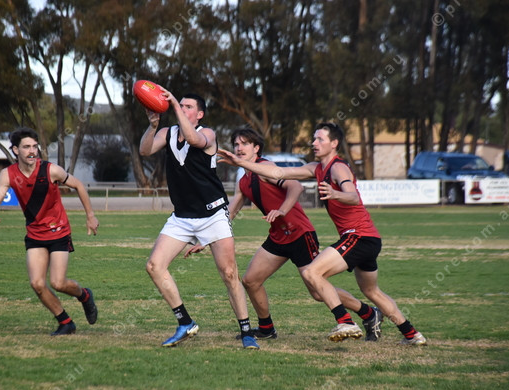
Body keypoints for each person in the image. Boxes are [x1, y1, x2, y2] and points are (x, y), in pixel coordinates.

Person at [218, 123, 427, 345]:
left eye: (319, 139)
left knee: (313, 275)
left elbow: (353, 197)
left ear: (334, 143)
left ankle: (346, 322)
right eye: (314, 139)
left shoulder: (339, 168)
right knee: (371, 291)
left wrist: (336, 194)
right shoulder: (316, 169)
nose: (314, 143)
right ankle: (412, 334)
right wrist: (240, 163)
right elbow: (280, 172)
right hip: (364, 238)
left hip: (356, 236)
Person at [187, 128, 383, 342]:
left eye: (245, 143)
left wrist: (282, 210)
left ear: (256, 148)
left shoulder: (266, 168)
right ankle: (266, 328)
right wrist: (206, 239)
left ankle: (368, 313)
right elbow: (231, 212)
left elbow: (296, 187)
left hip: (300, 234)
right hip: (278, 236)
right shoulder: (244, 180)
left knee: (316, 291)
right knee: (251, 280)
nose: (239, 148)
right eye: (236, 144)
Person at [139, 89, 259, 349]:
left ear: (200, 114)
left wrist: (172, 104)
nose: (182, 108)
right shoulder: (168, 133)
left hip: (213, 214)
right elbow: (145, 150)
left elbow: (194, 139)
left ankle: (246, 331)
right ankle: (185, 322)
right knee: (154, 266)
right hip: (182, 216)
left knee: (229, 273)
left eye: (188, 106)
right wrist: (152, 126)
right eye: (180, 105)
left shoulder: (208, 134)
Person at [0, 127, 99, 336]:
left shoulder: (51, 170)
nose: (32, 151)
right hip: (35, 234)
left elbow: (79, 185)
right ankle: (66, 323)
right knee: (37, 283)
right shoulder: (8, 174)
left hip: (58, 231)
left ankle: (84, 295)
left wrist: (90, 216)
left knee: (58, 283)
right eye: (26, 147)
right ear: (15, 150)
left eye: (34, 146)